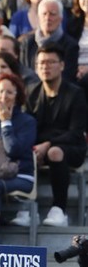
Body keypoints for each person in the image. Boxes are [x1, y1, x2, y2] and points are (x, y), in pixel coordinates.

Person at [24, 43, 88, 227]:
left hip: (72, 147)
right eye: (42, 62)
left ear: (62, 65)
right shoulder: (32, 92)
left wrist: (48, 144)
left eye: (51, 62)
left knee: (54, 152)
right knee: (26, 150)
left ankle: (59, 210)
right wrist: (38, 147)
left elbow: (76, 133)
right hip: (40, 146)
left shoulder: (75, 94)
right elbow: (28, 128)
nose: (46, 66)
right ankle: (26, 209)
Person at [0, 74, 37, 243]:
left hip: (21, 175)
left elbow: (13, 150)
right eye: (1, 92)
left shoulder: (28, 121)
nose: (4, 97)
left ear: (17, 96)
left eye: (10, 92)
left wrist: (6, 123)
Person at [20, 0, 80, 83]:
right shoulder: (27, 44)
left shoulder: (70, 45)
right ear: (38, 18)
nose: (48, 18)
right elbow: (24, 73)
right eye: (44, 14)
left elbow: (68, 77)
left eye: (52, 14)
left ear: (60, 19)